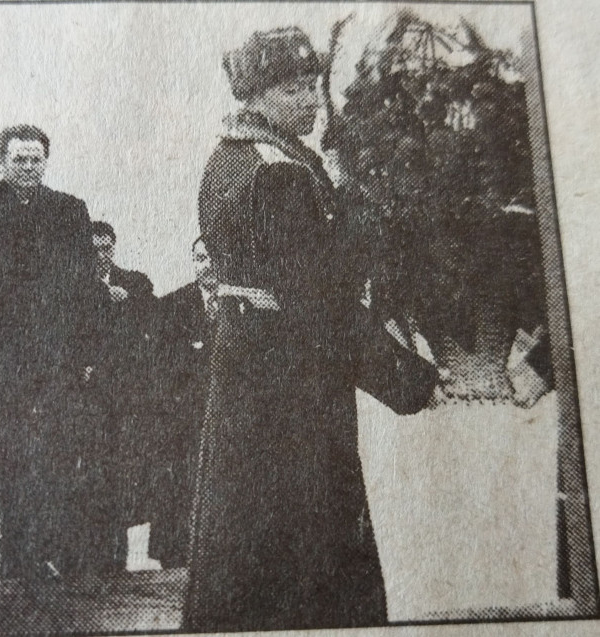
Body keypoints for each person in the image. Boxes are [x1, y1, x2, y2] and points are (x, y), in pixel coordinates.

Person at [185, 28, 439, 632]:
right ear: (255, 95)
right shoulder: (280, 172)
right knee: (310, 550)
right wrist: (409, 380)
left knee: (246, 544)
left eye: (311, 86)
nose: (309, 102)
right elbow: (321, 306)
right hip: (294, 385)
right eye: (292, 90)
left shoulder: (232, 158)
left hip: (252, 375)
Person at [0, 124, 95, 582]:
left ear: (46, 161)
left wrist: (83, 357)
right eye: (19, 160)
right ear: (1, 162)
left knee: (37, 473)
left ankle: (23, 572)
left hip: (48, 373)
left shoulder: (69, 212)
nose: (28, 167)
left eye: (35, 160)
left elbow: (85, 291)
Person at [150, 237, 218, 567]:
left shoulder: (240, 307)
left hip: (223, 423)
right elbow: (162, 370)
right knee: (181, 492)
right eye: (201, 258)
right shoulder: (172, 306)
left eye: (214, 257)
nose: (208, 265)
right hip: (184, 424)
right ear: (193, 261)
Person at [91, 221, 154, 304]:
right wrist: (106, 294)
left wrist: (127, 296)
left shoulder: (133, 281)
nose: (101, 256)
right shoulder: (77, 283)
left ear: (113, 249)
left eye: (106, 249)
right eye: (94, 250)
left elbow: (149, 299)